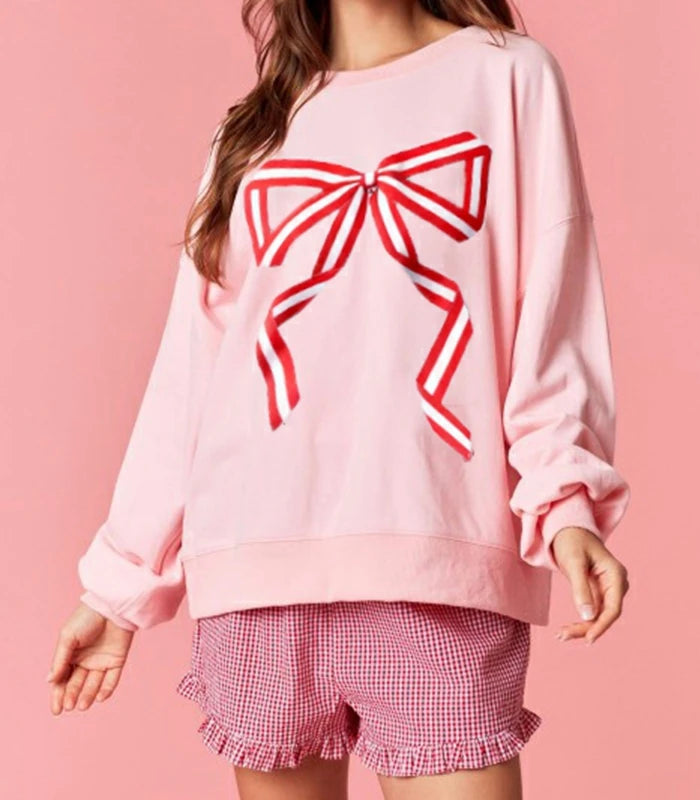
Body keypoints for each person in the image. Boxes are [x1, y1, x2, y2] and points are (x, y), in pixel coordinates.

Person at [47, 2, 632, 798]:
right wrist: (118, 588)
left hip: (436, 561)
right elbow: (192, 375)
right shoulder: (250, 134)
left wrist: (565, 504)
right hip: (259, 567)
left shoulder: (507, 77)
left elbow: (552, 313)